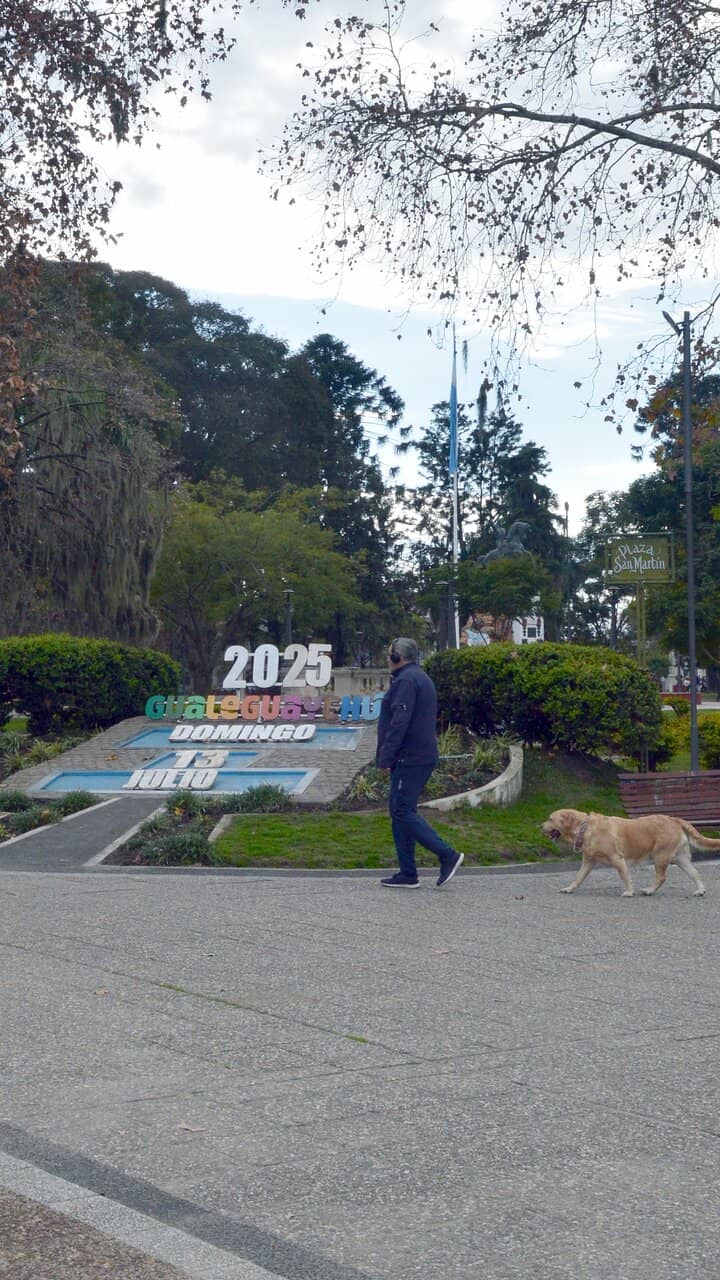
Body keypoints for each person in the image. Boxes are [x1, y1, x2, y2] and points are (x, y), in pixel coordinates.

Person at [376, 637, 464, 889]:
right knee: (399, 812)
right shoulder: (417, 677)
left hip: (411, 757)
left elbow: (399, 723)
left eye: (389, 654)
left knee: (403, 811)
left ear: (397, 657)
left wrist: (386, 757)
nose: (386, 658)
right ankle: (407, 873)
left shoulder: (406, 681)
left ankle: (448, 855)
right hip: (417, 756)